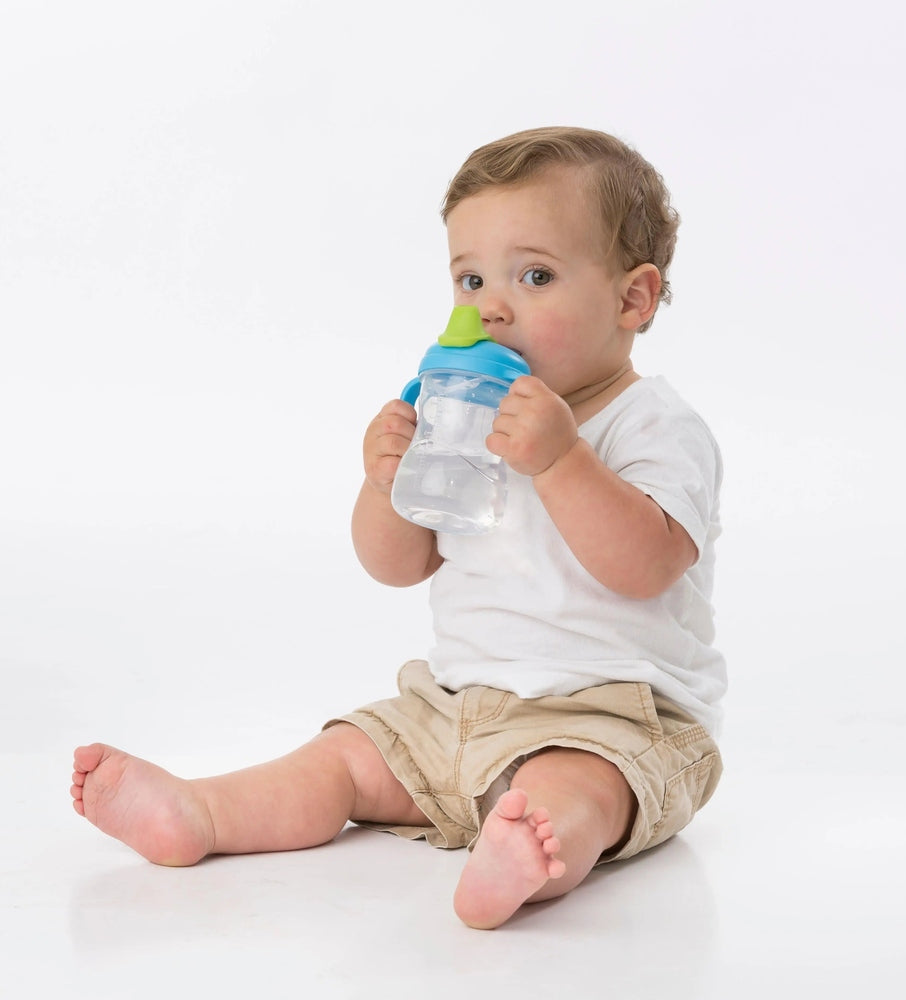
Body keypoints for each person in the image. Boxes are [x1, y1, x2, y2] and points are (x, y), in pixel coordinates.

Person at [70, 126, 726, 930]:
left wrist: (562, 462)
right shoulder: (463, 418)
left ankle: (527, 855)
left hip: (610, 718)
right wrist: (386, 485)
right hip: (452, 710)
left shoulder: (654, 424)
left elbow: (647, 565)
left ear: (633, 298)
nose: (492, 305)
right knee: (346, 755)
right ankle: (202, 812)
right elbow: (397, 564)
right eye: (470, 278)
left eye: (536, 275)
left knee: (576, 788)